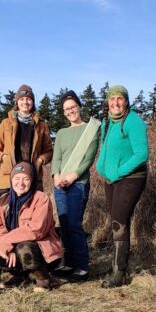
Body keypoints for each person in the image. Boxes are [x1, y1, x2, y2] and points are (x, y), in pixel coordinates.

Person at [96, 85, 149, 288]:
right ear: (108, 102)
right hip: (112, 178)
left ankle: (120, 274)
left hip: (132, 177)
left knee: (119, 220)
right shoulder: (107, 121)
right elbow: (104, 149)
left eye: (120, 99)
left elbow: (141, 154)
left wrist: (118, 171)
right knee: (116, 220)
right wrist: (101, 167)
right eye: (112, 99)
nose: (116, 103)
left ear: (126, 101)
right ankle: (116, 265)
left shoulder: (134, 122)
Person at [0, 162, 63, 292]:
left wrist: (7, 241)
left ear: (32, 180)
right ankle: (19, 276)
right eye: (17, 178)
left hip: (41, 251)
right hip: (13, 247)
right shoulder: (3, 201)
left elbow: (37, 230)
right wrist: (6, 246)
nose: (21, 183)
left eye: (26, 179)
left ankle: (43, 278)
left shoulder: (41, 199)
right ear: (11, 180)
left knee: (24, 248)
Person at [51, 90, 100, 283]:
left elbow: (88, 158)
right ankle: (69, 263)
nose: (71, 111)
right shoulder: (62, 133)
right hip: (59, 185)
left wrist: (72, 176)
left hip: (78, 183)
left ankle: (81, 266)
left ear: (79, 107)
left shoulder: (91, 129)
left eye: (73, 107)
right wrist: (56, 176)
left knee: (74, 224)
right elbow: (57, 158)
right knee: (64, 225)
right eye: (67, 109)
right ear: (64, 113)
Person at [0, 84, 53, 197]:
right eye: (22, 99)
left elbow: (49, 151)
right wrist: (4, 157)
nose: (25, 102)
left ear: (33, 102)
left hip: (33, 178)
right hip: (8, 177)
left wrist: (40, 160)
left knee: (31, 213)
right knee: (6, 212)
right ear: (17, 102)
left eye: (29, 99)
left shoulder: (42, 126)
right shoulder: (5, 123)